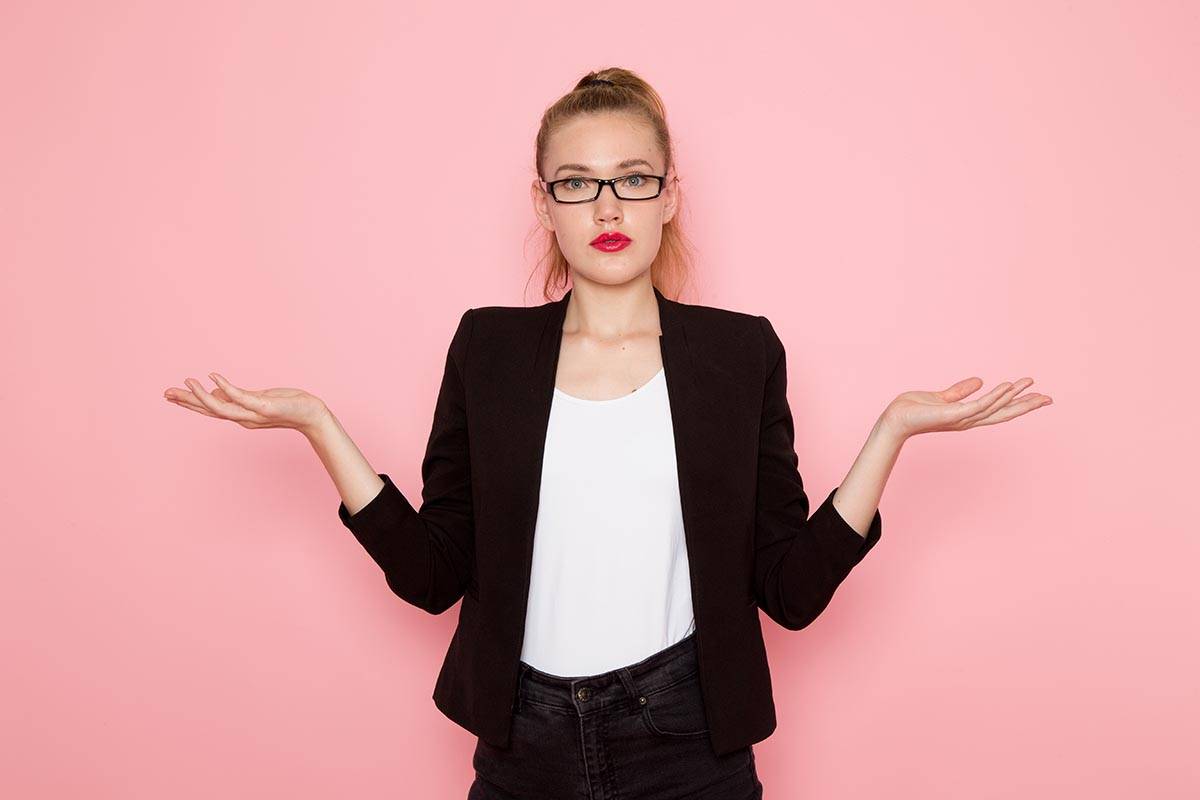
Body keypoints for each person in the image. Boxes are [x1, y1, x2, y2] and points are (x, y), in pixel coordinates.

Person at [163, 67, 1052, 799]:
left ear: (669, 196)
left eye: (633, 179)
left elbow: (788, 590)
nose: (607, 207)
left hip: (689, 747)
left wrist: (892, 433)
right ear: (544, 202)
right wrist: (318, 426)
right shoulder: (488, 349)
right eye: (577, 184)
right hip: (523, 749)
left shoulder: (741, 354)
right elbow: (433, 575)